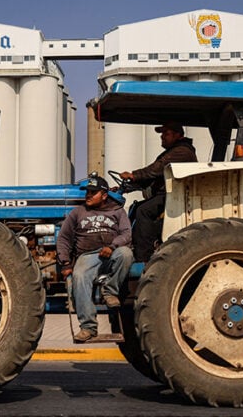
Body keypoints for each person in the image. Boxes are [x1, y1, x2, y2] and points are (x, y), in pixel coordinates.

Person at [57, 175, 134, 342]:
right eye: (87, 192)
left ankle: (110, 291)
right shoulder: (77, 212)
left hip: (112, 252)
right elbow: (63, 238)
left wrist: (112, 246)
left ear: (104, 195)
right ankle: (88, 327)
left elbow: (126, 233)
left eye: (93, 192)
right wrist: (65, 262)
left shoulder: (117, 211)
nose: (88, 195)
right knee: (79, 276)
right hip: (88, 255)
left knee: (126, 254)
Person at [120, 121, 197, 262]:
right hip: (168, 194)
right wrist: (130, 185)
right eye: (162, 134)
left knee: (143, 211)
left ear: (178, 135)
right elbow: (153, 177)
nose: (162, 137)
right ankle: (134, 246)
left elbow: (157, 169)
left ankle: (144, 257)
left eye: (166, 133)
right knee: (135, 207)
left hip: (175, 195)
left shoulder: (182, 151)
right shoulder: (172, 151)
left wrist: (134, 175)